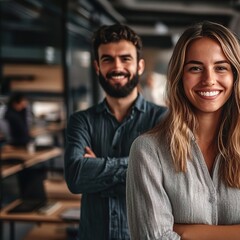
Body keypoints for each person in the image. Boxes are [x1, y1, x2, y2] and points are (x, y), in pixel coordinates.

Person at [126, 21, 240, 240]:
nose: (209, 80)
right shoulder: (148, 151)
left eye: (221, 67)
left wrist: (185, 232)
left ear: (235, 76)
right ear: (180, 76)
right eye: (195, 68)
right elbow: (153, 238)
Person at [64, 24, 167, 240]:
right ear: (97, 66)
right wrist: (140, 168)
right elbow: (75, 178)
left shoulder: (162, 120)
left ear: (139, 66)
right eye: (107, 59)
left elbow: (166, 182)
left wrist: (97, 166)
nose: (117, 66)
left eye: (125, 58)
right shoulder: (81, 121)